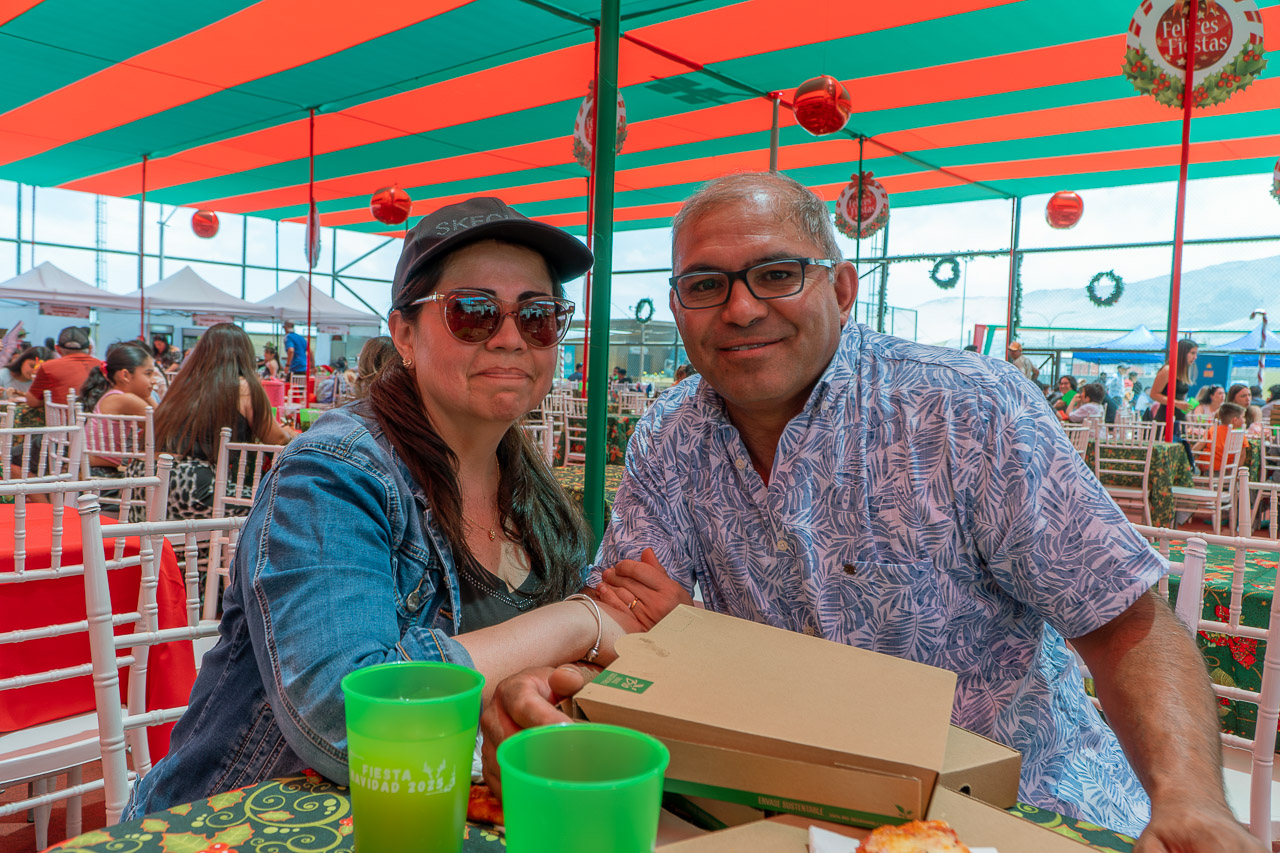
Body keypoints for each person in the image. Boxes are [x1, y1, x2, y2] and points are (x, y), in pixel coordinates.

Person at [479, 172, 1262, 852]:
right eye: (706, 285)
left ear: (843, 288)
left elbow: (1123, 621)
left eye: (777, 274)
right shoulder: (671, 432)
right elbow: (632, 618)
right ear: (680, 307)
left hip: (1010, 804)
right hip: (778, 799)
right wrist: (562, 679)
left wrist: (1190, 795)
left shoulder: (966, 410)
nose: (741, 308)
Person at [124, 197, 647, 819]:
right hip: (247, 823)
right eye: (473, 312)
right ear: (404, 335)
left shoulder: (528, 482)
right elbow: (345, 716)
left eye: (537, 316)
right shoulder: (336, 470)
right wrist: (578, 622)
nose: (510, 338)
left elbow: (562, 669)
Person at [150, 324, 296, 520]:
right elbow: (276, 439)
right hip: (192, 489)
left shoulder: (184, 383)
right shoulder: (244, 386)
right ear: (245, 354)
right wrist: (292, 433)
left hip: (148, 486)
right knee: (283, 501)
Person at [78, 341, 156, 475]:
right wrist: (148, 395)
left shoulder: (114, 395)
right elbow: (165, 426)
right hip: (103, 474)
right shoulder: (125, 399)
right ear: (125, 375)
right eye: (148, 374)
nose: (153, 380)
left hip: (91, 470)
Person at [25, 326, 97, 408]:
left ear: (57, 349)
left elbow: (32, 401)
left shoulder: (48, 367)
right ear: (90, 348)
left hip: (63, 416)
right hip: (97, 415)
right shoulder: (102, 366)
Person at [1147, 338, 1198, 427]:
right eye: (1192, 353)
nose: (1195, 357)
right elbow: (1154, 394)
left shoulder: (1182, 372)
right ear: (1183, 353)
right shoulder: (1167, 370)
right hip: (1165, 419)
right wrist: (1176, 403)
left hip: (1179, 419)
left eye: (1196, 354)